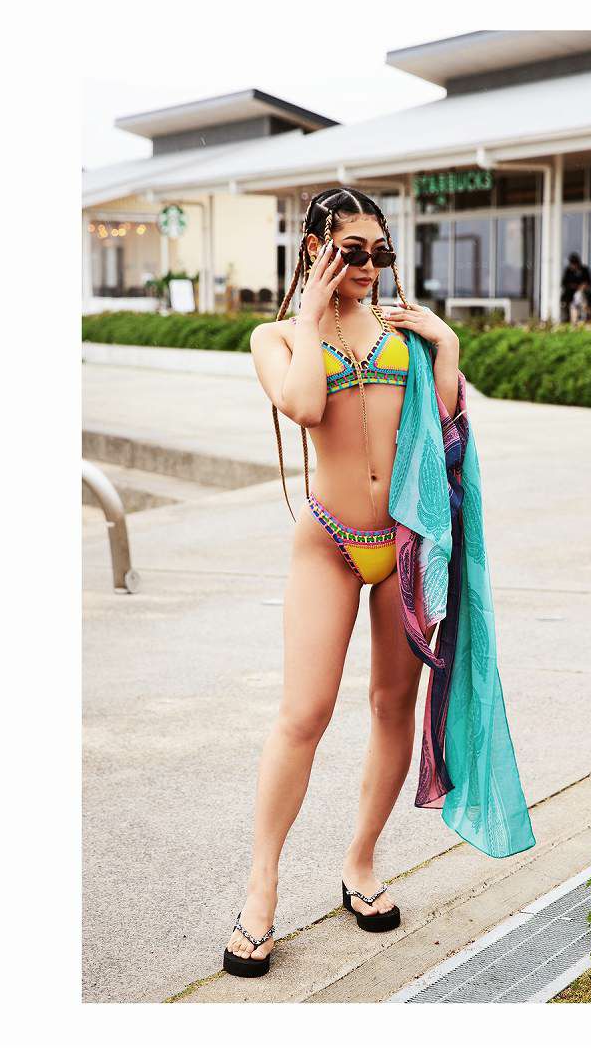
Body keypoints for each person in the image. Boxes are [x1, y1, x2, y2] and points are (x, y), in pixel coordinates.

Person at [223, 187, 535, 978]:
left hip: (403, 544)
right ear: (314, 248)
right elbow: (302, 403)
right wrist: (310, 316)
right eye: (351, 251)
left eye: (379, 252)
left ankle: (361, 860)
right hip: (329, 542)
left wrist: (447, 348)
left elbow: (446, 430)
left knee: (394, 704)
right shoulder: (274, 336)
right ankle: (261, 888)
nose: (368, 267)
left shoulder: (403, 332)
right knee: (304, 712)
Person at [560, 252, 591, 324]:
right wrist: (572, 285)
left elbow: (589, 282)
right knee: (572, 304)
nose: (573, 266)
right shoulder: (568, 271)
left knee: (583, 302)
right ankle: (569, 319)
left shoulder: (584, 270)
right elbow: (563, 283)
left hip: (583, 292)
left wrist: (583, 286)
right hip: (570, 293)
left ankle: (587, 319)